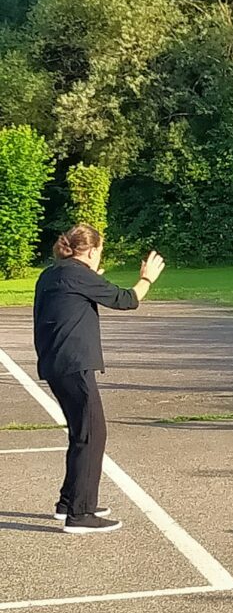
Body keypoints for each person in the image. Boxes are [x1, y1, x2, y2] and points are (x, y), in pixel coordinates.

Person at [33, 224, 166, 533]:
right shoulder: (79, 275)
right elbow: (126, 299)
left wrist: (92, 276)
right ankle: (80, 514)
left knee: (81, 432)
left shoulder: (52, 274)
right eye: (99, 251)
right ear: (91, 251)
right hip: (73, 364)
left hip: (55, 364)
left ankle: (69, 502)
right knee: (92, 434)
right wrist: (147, 278)